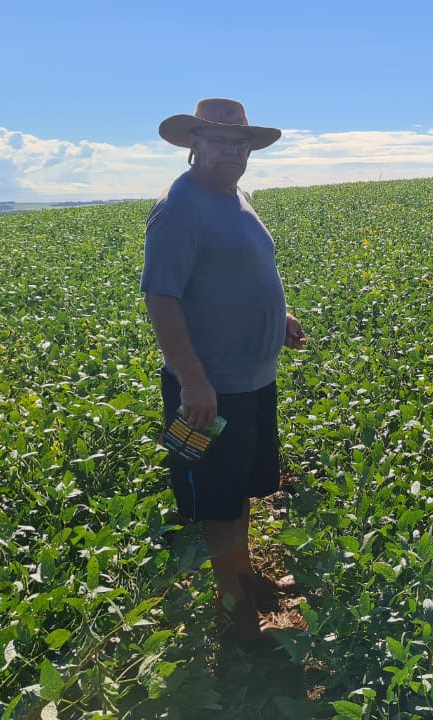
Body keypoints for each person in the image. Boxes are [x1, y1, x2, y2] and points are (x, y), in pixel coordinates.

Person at [141, 98, 308, 649]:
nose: (233, 152)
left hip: (252, 377)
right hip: (208, 391)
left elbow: (240, 267)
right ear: (194, 144)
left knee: (239, 488)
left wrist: (276, 313)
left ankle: (240, 576)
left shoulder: (236, 194)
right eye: (219, 142)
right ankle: (232, 603)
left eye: (240, 143)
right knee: (216, 494)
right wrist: (192, 381)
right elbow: (161, 299)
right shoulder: (178, 206)